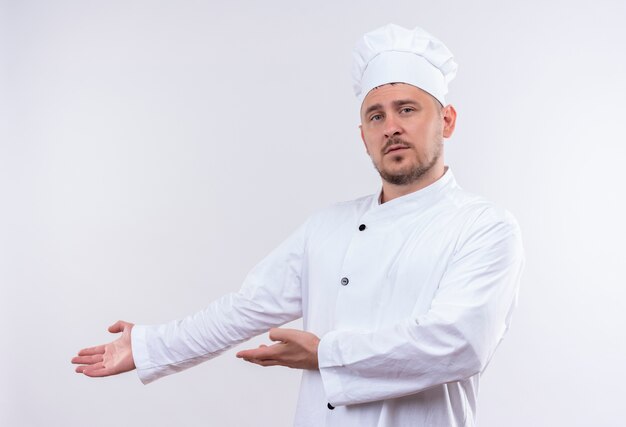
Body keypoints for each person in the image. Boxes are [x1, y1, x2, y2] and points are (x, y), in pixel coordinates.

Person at [72, 23, 524, 427]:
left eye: (407, 109)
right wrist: (152, 345)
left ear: (446, 121)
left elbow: (461, 343)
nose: (391, 127)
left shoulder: (484, 227)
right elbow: (245, 308)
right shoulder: (328, 226)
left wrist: (325, 355)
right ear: (362, 135)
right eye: (376, 115)